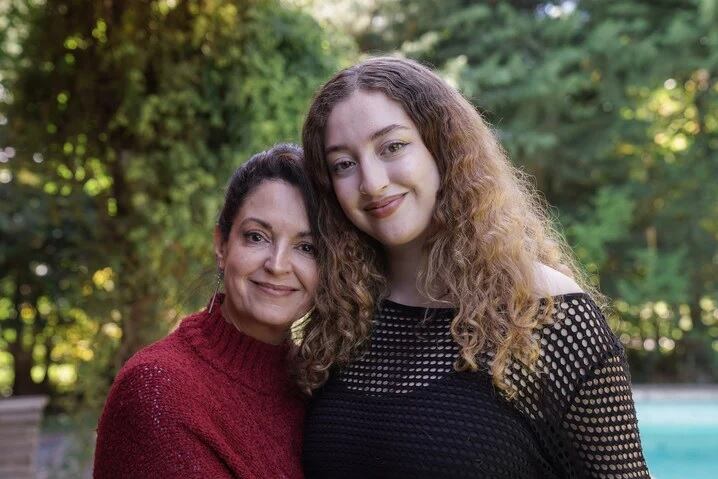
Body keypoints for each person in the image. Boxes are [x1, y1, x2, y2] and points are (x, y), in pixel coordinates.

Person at [297, 57, 650, 478]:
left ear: (443, 148)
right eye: (344, 164)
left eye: (392, 147)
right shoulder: (338, 321)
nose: (371, 182)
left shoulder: (549, 318)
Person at [94, 144, 318, 479]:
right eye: (257, 237)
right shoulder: (157, 388)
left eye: (307, 247)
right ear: (221, 246)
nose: (277, 265)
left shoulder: (319, 386)